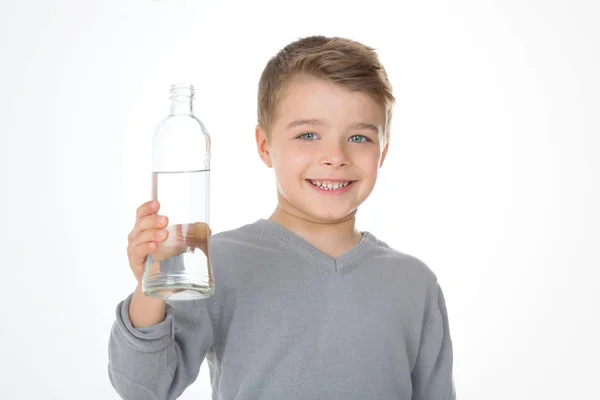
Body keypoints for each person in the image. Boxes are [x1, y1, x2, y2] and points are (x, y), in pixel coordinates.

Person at [108, 35, 456, 400]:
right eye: (308, 134)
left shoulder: (415, 284)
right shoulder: (218, 262)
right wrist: (152, 286)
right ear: (264, 146)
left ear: (382, 152)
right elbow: (144, 387)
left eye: (358, 138)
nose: (334, 156)